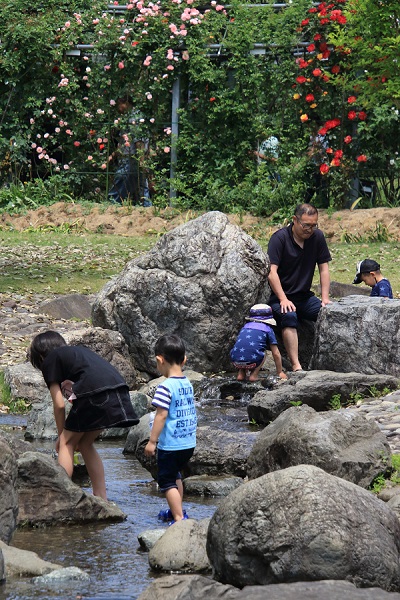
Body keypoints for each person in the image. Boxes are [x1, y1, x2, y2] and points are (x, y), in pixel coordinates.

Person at [28, 330, 139, 500]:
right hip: (119, 391)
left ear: (41, 356)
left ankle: (62, 497)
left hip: (95, 394)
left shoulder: (50, 360)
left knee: (67, 443)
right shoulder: (77, 353)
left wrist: (61, 436)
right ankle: (101, 497)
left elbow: (58, 405)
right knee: (85, 443)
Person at [267, 203, 332, 372]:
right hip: (280, 297)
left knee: (328, 314)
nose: (309, 229)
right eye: (306, 225)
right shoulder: (279, 239)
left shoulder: (317, 237)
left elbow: (323, 268)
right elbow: (271, 272)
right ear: (295, 220)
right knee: (289, 316)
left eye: (313, 225)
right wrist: (282, 298)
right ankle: (296, 365)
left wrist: (325, 298)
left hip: (304, 297)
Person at [144, 334, 196, 525]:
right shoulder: (187, 383)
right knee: (176, 476)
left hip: (171, 445)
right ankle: (178, 510)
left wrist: (152, 441)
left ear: (160, 360)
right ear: (184, 360)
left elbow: (161, 415)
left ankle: (178, 518)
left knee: (166, 482)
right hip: (188, 442)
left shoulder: (165, 387)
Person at [108, 96, 152, 206]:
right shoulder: (129, 117)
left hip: (132, 158)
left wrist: (141, 161)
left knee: (120, 183)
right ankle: (146, 208)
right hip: (131, 157)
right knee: (141, 187)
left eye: (120, 104)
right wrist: (113, 155)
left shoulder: (134, 118)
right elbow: (125, 143)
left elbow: (139, 142)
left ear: (126, 102)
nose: (119, 108)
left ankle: (111, 207)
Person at [230, 304, 287, 381]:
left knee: (245, 350)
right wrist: (279, 372)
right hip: (253, 362)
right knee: (263, 352)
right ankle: (254, 375)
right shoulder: (267, 329)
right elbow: (276, 353)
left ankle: (241, 374)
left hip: (235, 361)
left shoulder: (245, 326)